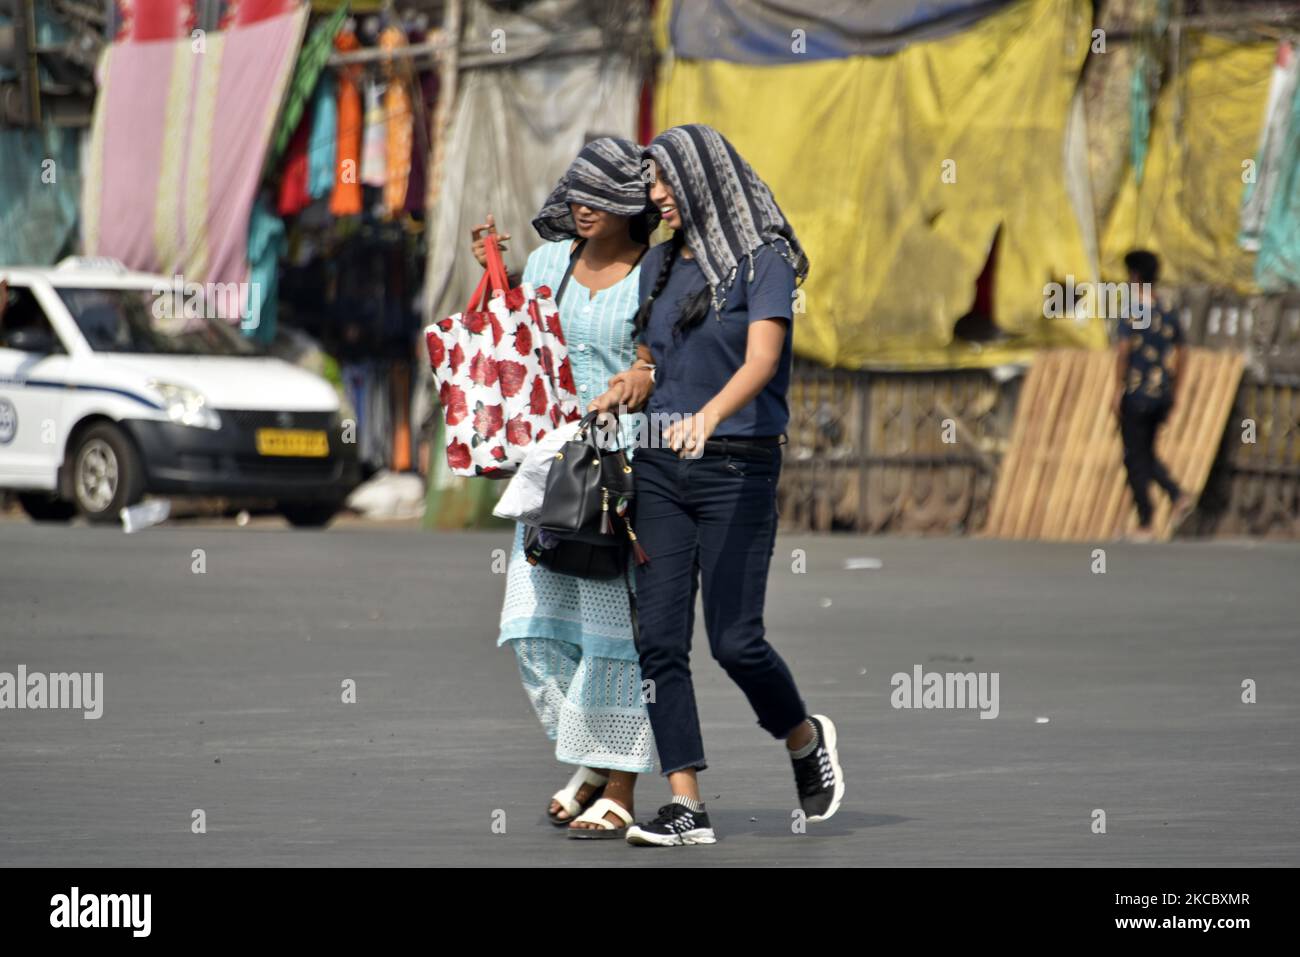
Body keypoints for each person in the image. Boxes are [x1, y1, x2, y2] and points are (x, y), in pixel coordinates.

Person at [591, 124, 845, 847]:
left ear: (703, 178)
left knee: (734, 641)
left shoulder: (762, 261)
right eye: (651, 188)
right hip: (662, 471)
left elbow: (763, 358)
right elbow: (649, 353)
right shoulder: (661, 265)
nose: (657, 198)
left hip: (738, 466)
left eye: (666, 184)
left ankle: (802, 737)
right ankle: (686, 805)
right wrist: (634, 382)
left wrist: (708, 415)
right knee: (659, 639)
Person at [472, 137, 657, 838]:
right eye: (576, 193)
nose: (582, 206)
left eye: (601, 197)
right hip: (551, 465)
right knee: (534, 627)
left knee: (615, 632)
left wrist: (643, 377)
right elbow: (517, 350)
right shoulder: (549, 263)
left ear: (630, 205)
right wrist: (493, 281)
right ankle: (586, 755)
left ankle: (620, 786)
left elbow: (664, 358)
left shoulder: (656, 274)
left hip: (620, 470)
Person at [1112, 250, 1194, 541]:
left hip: (1136, 393)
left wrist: (1117, 388)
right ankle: (1176, 496)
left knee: (1134, 457)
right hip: (1161, 393)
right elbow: (1183, 352)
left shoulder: (1133, 309)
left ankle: (1147, 521)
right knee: (1145, 453)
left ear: (1134, 275)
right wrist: (1176, 388)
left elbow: (1123, 351)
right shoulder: (1167, 309)